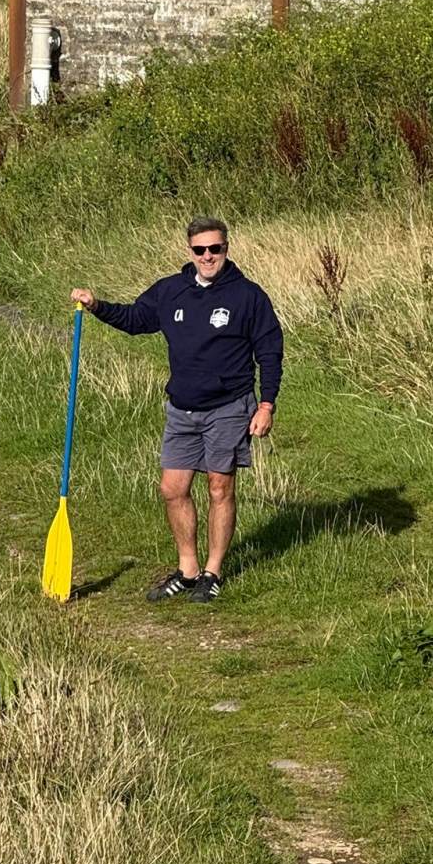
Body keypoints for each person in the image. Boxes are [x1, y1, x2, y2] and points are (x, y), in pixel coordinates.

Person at [71, 217, 283, 604]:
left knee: (219, 488)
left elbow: (270, 352)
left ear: (226, 248)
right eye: (200, 249)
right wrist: (96, 305)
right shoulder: (171, 291)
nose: (208, 256)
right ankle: (187, 570)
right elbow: (135, 320)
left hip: (229, 406)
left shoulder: (248, 296)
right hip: (182, 409)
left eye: (215, 248)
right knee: (172, 490)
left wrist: (266, 404)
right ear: (190, 251)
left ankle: (212, 572)